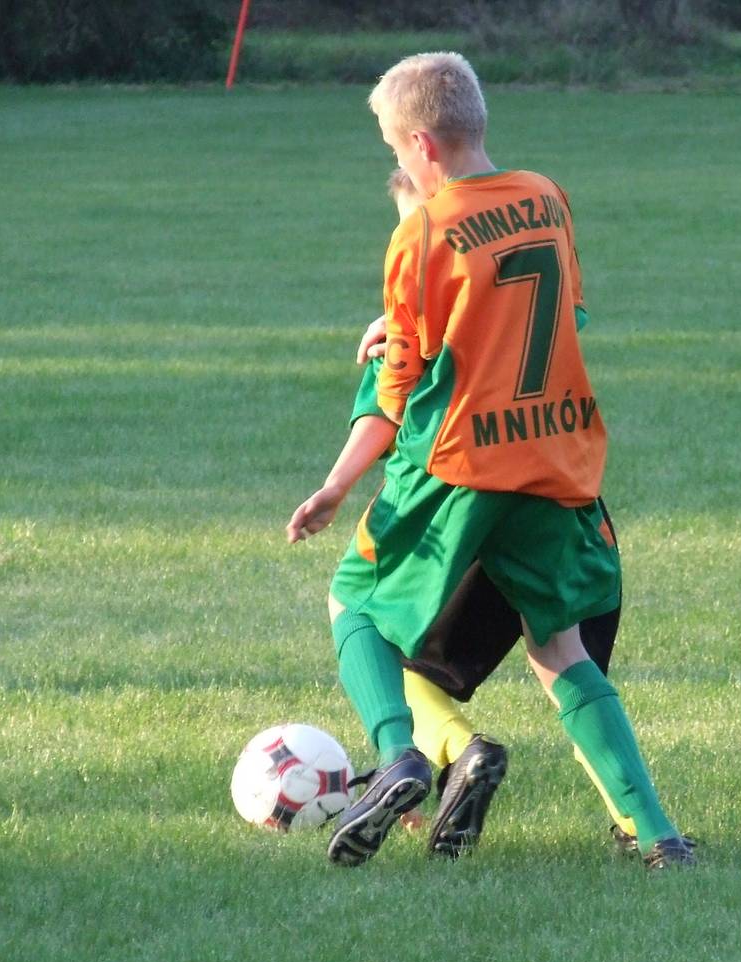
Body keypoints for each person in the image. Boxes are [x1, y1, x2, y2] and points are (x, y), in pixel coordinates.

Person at [288, 52, 692, 871]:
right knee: (559, 648)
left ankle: (398, 758)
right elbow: (549, 312)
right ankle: (659, 838)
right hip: (552, 455)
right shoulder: (545, 197)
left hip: (459, 465)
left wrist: (335, 485)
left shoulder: (421, 231)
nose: (398, 163)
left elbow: (396, 389)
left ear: (422, 145)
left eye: (394, 147)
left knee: (353, 603)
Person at [349, 168, 643, 859]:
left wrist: (334, 487)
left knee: (398, 663)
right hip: (572, 515)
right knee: (572, 673)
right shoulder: (534, 254)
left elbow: (387, 416)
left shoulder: (412, 345)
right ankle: (643, 831)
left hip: (473, 525)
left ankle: (457, 754)